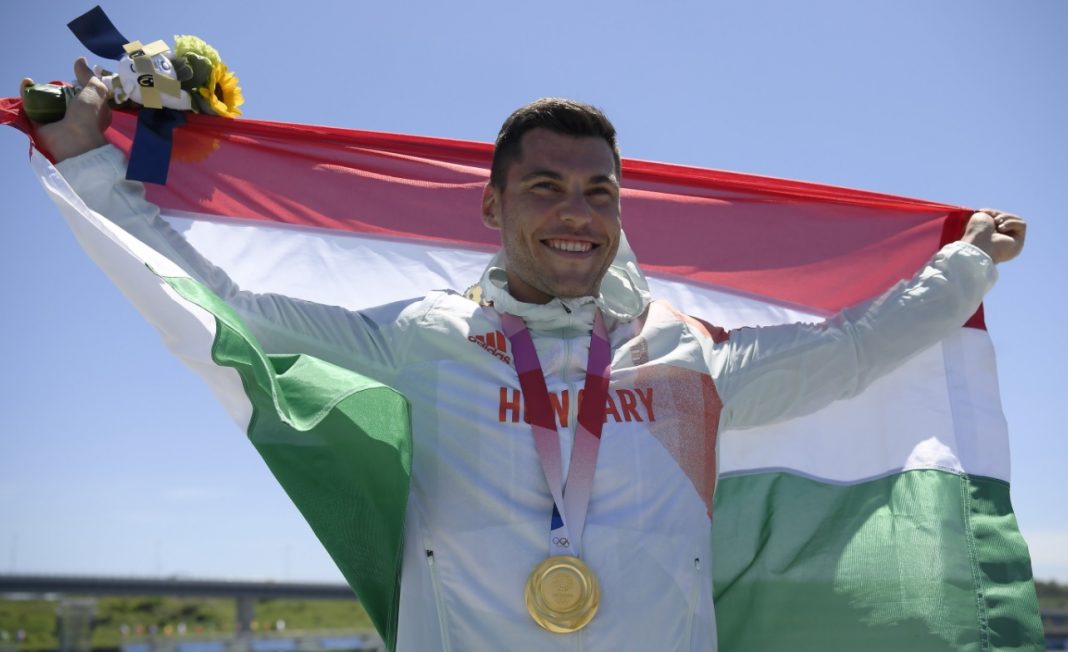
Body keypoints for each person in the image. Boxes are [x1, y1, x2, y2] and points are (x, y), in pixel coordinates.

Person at [23, 59, 1026, 651]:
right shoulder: (430, 339)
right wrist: (87, 160)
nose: (576, 213)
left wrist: (966, 266)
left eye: (599, 191)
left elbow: (852, 350)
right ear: (492, 206)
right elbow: (234, 302)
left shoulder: (682, 355)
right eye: (545, 188)